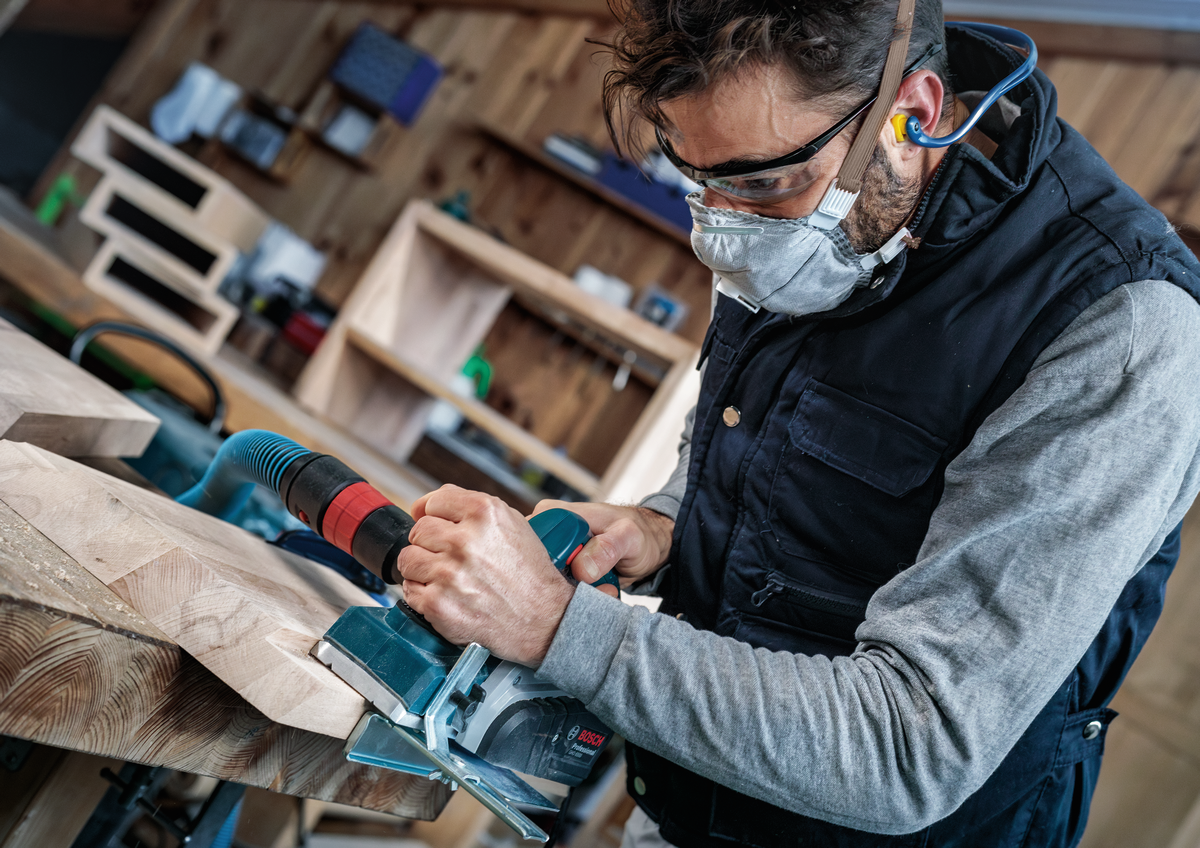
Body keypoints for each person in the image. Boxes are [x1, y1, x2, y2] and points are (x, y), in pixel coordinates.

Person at [392, 0, 1200, 845]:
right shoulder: (814, 199)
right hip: (688, 808)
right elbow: (782, 448)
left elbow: (910, 746)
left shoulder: (1119, 328)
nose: (723, 230)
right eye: (696, 179)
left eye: (762, 184)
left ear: (913, 116)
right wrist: (667, 525)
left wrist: (556, 627)